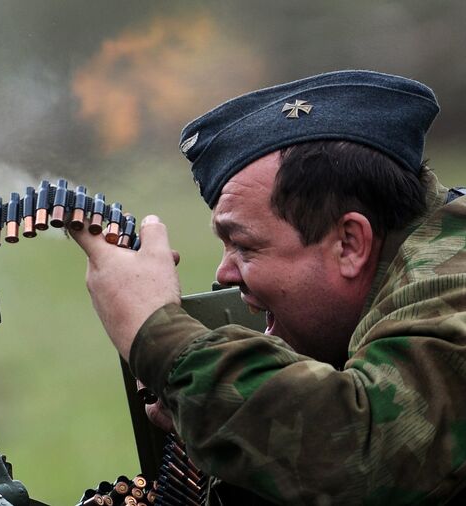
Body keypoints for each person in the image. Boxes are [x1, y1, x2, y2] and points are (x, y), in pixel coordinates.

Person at [70, 70, 466, 504]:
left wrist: (158, 335)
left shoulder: (452, 273)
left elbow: (362, 455)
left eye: (244, 245)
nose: (224, 273)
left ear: (350, 243)